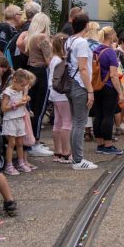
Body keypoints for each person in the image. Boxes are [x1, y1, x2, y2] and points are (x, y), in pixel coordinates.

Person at [65, 13, 98, 170]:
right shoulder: (82, 43)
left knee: (75, 122)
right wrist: (90, 90)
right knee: (80, 122)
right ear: (86, 25)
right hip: (80, 84)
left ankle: (75, 157)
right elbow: (83, 68)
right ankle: (78, 160)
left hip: (70, 83)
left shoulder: (69, 41)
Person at [22, 13, 53, 157]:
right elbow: (49, 60)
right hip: (42, 73)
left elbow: (22, 49)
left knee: (31, 109)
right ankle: (35, 141)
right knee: (39, 109)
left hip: (31, 72)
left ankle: (30, 140)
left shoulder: (30, 37)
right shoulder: (43, 38)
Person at [91, 26, 124, 155]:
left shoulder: (95, 50)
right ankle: (108, 144)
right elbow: (114, 75)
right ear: (111, 36)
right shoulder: (110, 52)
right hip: (109, 87)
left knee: (98, 115)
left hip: (97, 86)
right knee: (108, 115)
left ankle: (99, 143)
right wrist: (120, 92)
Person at [1, 69, 37, 175]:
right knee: (12, 143)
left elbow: (24, 99)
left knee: (20, 142)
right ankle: (9, 165)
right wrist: (17, 104)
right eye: (22, 85)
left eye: (25, 86)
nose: (23, 88)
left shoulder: (20, 90)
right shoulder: (8, 92)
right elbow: (3, 108)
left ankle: (21, 162)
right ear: (15, 80)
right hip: (10, 120)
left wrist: (26, 95)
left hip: (19, 118)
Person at [48, 34, 73, 163]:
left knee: (58, 122)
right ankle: (66, 152)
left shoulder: (54, 59)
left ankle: (57, 152)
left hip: (54, 93)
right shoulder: (61, 61)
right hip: (62, 93)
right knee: (67, 122)